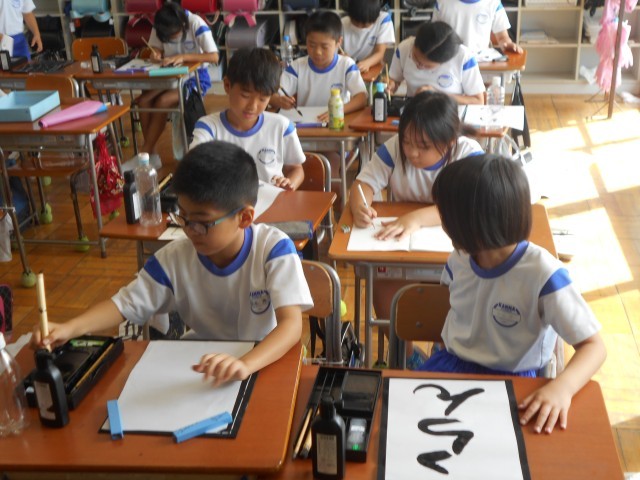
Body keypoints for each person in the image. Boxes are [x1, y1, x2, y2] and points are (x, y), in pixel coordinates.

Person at [31, 141, 313, 386]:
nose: (189, 231)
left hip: (262, 359)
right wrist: (70, 328)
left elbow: (291, 327)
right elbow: (124, 305)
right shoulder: (174, 259)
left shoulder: (273, 250)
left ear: (245, 218)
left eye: (202, 223)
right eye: (183, 217)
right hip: (202, 362)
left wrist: (245, 364)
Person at [423, 154, 606, 434]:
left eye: (444, 215)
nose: (442, 223)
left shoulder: (544, 275)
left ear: (471, 223)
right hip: (452, 366)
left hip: (514, 381)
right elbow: (452, 306)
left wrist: (563, 388)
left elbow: (594, 347)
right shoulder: (459, 259)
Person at [350, 91, 483, 368]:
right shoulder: (394, 149)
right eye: (407, 141)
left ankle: (444, 352)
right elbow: (363, 183)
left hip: (452, 254)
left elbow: (470, 203)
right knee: (382, 284)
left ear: (449, 141)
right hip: (403, 252)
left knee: (458, 294)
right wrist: (360, 205)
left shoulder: (467, 154)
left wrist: (417, 219)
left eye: (423, 146)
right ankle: (406, 355)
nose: (411, 152)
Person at [190, 48, 305, 190]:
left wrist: (289, 183)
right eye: (245, 96)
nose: (252, 106)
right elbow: (195, 166)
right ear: (227, 86)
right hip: (227, 201)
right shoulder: (208, 128)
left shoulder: (281, 127)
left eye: (263, 99)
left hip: (272, 202)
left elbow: (296, 169)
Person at [138, 2, 219, 168]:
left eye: (174, 35)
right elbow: (155, 48)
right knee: (143, 102)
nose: (172, 39)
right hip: (168, 77)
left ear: (183, 24)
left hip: (194, 78)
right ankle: (151, 153)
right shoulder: (160, 25)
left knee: (162, 101)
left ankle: (145, 151)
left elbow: (214, 56)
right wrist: (155, 54)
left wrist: (183, 57)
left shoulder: (196, 23)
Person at [270, 10, 368, 121]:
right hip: (306, 124)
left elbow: (362, 98)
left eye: (324, 47)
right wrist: (279, 101)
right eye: (311, 45)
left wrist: (337, 110)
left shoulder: (346, 65)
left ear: (338, 42)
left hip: (336, 122)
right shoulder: (296, 67)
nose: (318, 52)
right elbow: (271, 96)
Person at [388, 21, 484, 104]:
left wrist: (437, 95)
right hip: (414, 108)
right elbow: (395, 80)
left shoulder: (464, 58)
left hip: (448, 112)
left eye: (426, 66)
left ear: (444, 62)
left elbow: (478, 100)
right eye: (415, 58)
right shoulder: (404, 48)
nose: (419, 66)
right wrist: (391, 85)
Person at [433, 0, 522, 55]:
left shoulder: (493, 3)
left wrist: (507, 44)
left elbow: (502, 37)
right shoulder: (442, 3)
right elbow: (435, 36)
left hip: (480, 61)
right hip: (450, 60)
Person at [341, 0, 395, 73]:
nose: (360, 26)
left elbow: (379, 52)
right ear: (350, 15)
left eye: (365, 24)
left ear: (376, 18)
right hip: (348, 67)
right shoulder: (341, 23)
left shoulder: (383, 20)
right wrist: (341, 56)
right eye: (356, 22)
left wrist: (367, 63)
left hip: (371, 66)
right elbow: (336, 50)